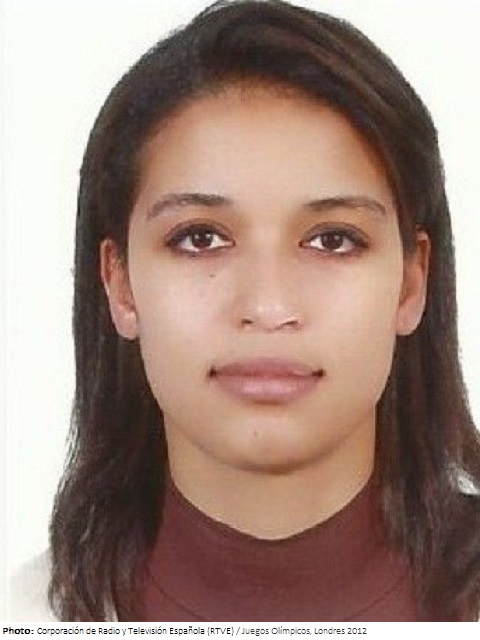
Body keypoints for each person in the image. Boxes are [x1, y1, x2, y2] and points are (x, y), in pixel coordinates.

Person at [10, 0, 480, 622]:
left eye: (333, 240)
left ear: (410, 284)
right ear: (119, 285)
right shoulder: (24, 614)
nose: (268, 306)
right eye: (200, 238)